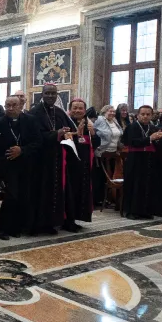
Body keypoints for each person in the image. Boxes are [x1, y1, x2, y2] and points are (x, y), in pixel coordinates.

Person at [0, 96, 40, 239]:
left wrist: (22, 150)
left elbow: (38, 142)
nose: (11, 108)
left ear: (20, 106)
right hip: (7, 166)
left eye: (14, 105)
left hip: (26, 164)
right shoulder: (0, 123)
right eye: (8, 106)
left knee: (23, 196)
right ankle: (0, 229)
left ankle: (15, 227)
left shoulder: (30, 120)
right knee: (11, 196)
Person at [28, 83, 71, 234]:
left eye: (53, 93)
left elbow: (67, 129)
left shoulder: (59, 112)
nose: (51, 96)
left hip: (56, 157)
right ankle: (35, 225)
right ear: (42, 94)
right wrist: (56, 133)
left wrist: (66, 133)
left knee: (53, 191)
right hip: (40, 159)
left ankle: (50, 223)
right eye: (48, 93)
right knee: (39, 192)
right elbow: (35, 136)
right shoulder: (34, 112)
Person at [63, 99, 101, 231]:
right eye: (75, 108)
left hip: (85, 165)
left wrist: (93, 133)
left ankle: (76, 218)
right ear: (70, 109)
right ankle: (67, 221)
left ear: (85, 110)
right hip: (70, 164)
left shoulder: (88, 124)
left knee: (82, 192)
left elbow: (96, 144)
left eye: (80, 108)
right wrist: (75, 134)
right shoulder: (66, 122)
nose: (78, 110)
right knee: (70, 193)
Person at [122, 105, 162, 219]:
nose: (145, 116)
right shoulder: (132, 127)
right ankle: (131, 212)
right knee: (135, 185)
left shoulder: (152, 127)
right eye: (143, 114)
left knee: (147, 185)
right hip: (135, 160)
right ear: (138, 115)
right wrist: (150, 139)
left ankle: (144, 211)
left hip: (149, 160)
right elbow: (132, 142)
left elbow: (155, 145)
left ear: (151, 116)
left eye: (148, 114)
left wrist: (158, 139)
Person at [93, 105, 123, 206]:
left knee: (111, 176)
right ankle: (99, 199)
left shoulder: (114, 121)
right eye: (110, 111)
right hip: (102, 152)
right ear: (104, 112)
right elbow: (96, 132)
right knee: (101, 177)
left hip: (113, 152)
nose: (112, 113)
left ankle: (110, 198)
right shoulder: (101, 120)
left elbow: (118, 134)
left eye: (114, 112)